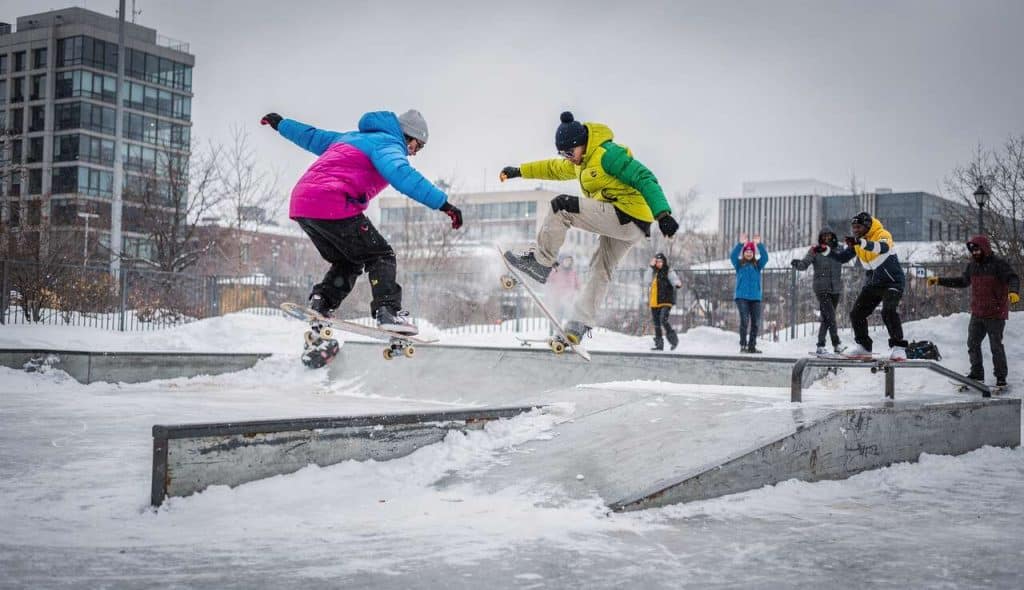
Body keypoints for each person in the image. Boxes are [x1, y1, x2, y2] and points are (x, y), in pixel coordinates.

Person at [260, 109, 463, 335]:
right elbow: (403, 175)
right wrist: (445, 205)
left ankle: (321, 302)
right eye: (418, 145)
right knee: (381, 255)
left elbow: (312, 136)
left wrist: (281, 124)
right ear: (408, 136)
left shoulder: (349, 137)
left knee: (349, 261)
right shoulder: (389, 145)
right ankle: (388, 311)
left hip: (303, 204)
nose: (415, 152)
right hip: (333, 202)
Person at [498, 111, 680, 344]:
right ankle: (579, 323)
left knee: (562, 207)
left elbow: (644, 177)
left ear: (581, 144)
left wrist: (663, 214)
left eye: (569, 152)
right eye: (562, 154)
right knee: (600, 268)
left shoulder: (607, 154)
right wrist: (519, 171)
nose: (567, 158)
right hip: (630, 227)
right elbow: (551, 168)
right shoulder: (578, 162)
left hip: (626, 214)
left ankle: (541, 261)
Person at [927, 235, 1020, 388]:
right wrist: (939, 280)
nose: (975, 253)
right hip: (978, 312)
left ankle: (1001, 377)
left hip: (995, 314)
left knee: (996, 346)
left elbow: (1013, 278)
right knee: (972, 343)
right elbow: (963, 282)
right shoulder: (972, 266)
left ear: (985, 249)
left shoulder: (998, 264)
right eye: (973, 251)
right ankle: (977, 373)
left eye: (978, 250)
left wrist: (1014, 291)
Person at [824, 211, 908, 360]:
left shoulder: (882, 234)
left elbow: (883, 248)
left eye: (858, 227)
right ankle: (864, 347)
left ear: (867, 226)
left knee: (888, 311)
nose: (855, 230)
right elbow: (842, 258)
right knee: (857, 313)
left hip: (893, 282)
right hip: (874, 284)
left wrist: (860, 243)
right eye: (853, 228)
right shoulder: (858, 241)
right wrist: (826, 251)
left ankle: (899, 347)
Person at [791, 228, 846, 355]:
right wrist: (797, 263)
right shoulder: (815, 250)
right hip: (821, 288)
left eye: (829, 236)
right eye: (824, 236)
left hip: (836, 288)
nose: (826, 238)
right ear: (821, 238)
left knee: (827, 318)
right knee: (831, 316)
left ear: (833, 237)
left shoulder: (838, 249)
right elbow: (805, 264)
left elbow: (849, 255)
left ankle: (820, 345)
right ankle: (836, 344)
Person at [730, 234, 769, 353]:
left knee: (756, 322)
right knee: (745, 320)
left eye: (750, 252)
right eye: (746, 251)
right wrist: (741, 244)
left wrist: (759, 245)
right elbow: (732, 256)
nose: (748, 253)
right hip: (741, 297)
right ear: (744, 253)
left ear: (753, 253)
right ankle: (743, 344)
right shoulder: (739, 264)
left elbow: (765, 257)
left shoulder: (757, 265)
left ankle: (752, 346)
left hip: (755, 298)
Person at [646, 252, 682, 350]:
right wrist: (650, 266)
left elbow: (674, 279)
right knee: (657, 323)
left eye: (660, 261)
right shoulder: (653, 272)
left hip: (665, 300)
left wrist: (677, 284)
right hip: (654, 302)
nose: (659, 263)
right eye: (657, 262)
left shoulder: (668, 271)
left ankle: (674, 341)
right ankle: (659, 345)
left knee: (663, 320)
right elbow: (646, 280)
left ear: (664, 262)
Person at [546, 255, 581, 326]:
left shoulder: (573, 272)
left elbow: (578, 285)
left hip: (569, 298)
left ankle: (567, 329)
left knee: (569, 315)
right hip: (558, 297)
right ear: (562, 261)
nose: (568, 262)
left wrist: (578, 293)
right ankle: (558, 329)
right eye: (566, 260)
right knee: (558, 314)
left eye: (569, 261)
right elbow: (549, 280)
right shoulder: (557, 271)